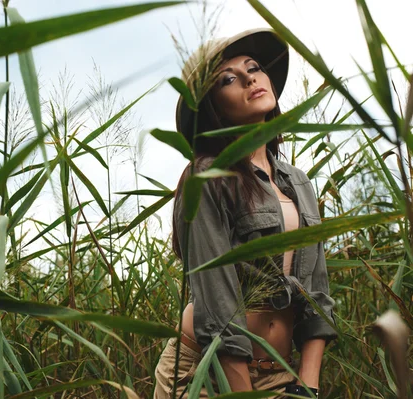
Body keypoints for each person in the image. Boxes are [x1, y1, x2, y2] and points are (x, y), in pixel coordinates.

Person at [153, 28, 337, 398]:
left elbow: (316, 290)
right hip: (206, 373)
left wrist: (309, 385)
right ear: (212, 107)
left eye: (253, 68)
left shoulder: (298, 182)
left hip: (280, 374)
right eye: (228, 79)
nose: (249, 78)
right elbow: (217, 305)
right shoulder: (206, 178)